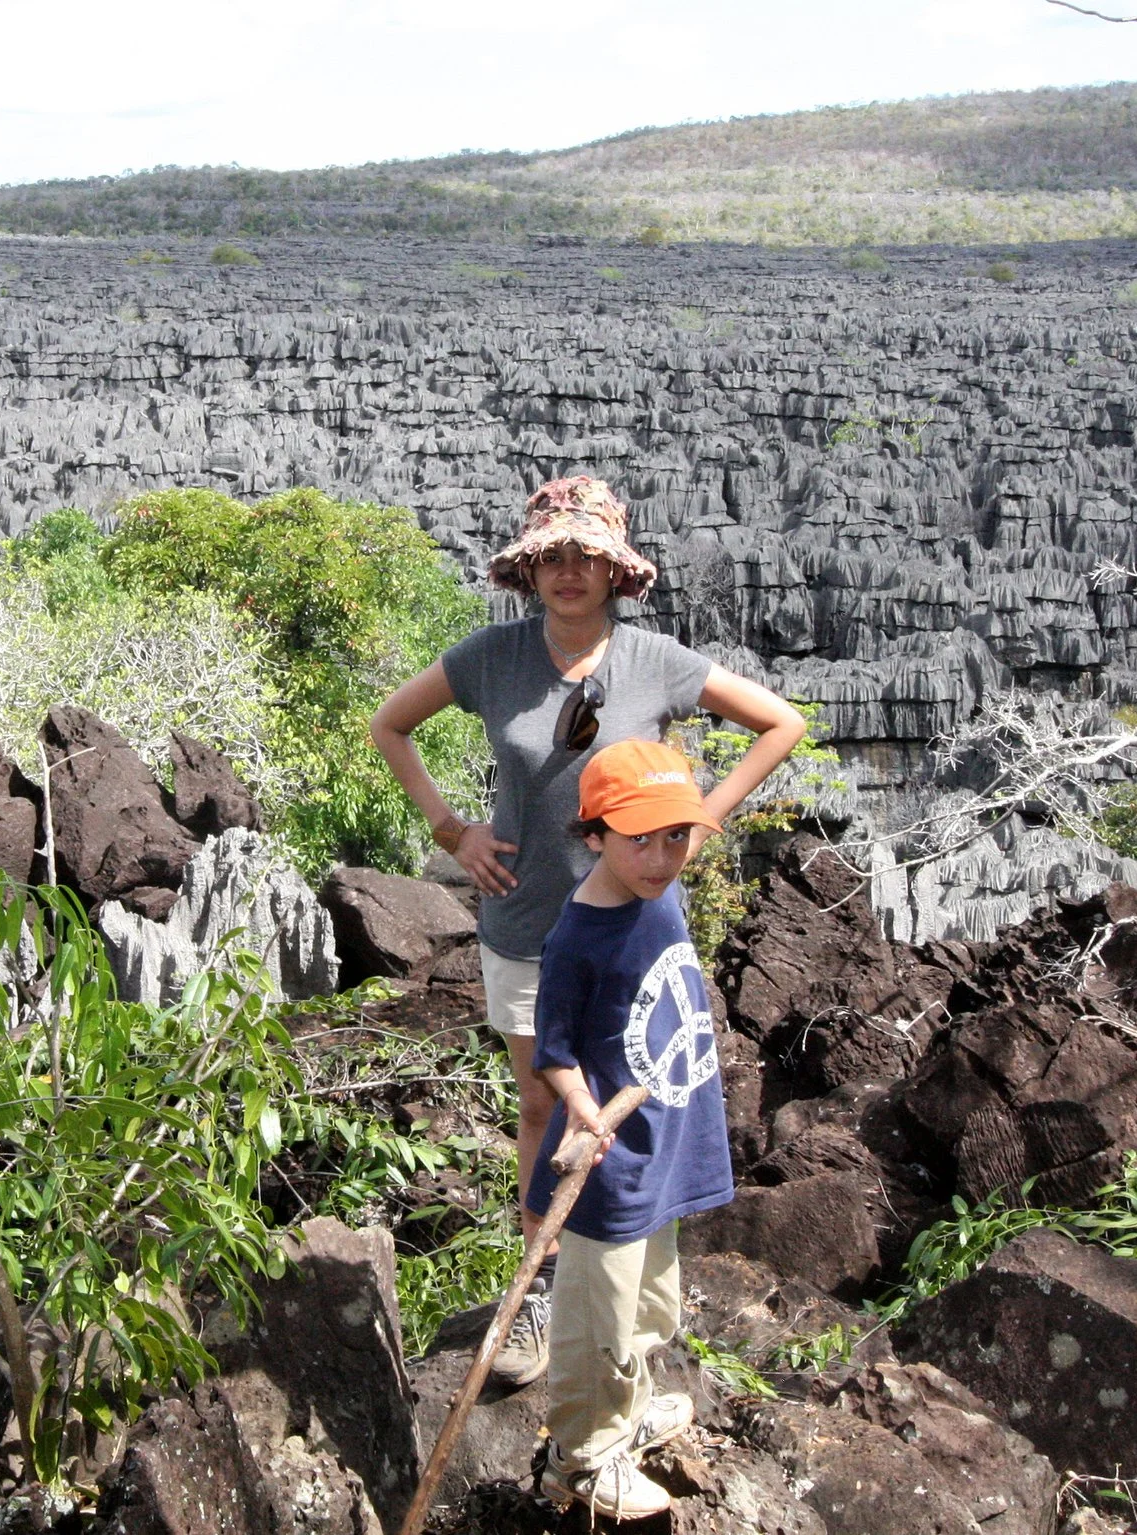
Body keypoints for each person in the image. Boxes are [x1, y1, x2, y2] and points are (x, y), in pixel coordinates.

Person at [367, 476, 805, 1388]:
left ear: (616, 569)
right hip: (529, 920)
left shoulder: (655, 661)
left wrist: (702, 818)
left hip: (639, 930)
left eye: (587, 557)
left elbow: (781, 722)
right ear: (531, 569)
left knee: (645, 1103)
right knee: (545, 1106)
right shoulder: (494, 656)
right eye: (553, 556)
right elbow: (390, 725)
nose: (569, 573)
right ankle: (545, 1292)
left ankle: (636, 1295)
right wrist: (455, 833)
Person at [529, 739, 733, 1519]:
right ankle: (581, 1454)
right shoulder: (577, 938)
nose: (659, 857)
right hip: (608, 1157)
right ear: (593, 836)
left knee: (652, 1300)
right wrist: (582, 1109)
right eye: (638, 839)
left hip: (662, 1138)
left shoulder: (661, 894)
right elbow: (554, 1050)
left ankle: (630, 1404)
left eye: (675, 836)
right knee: (598, 1310)